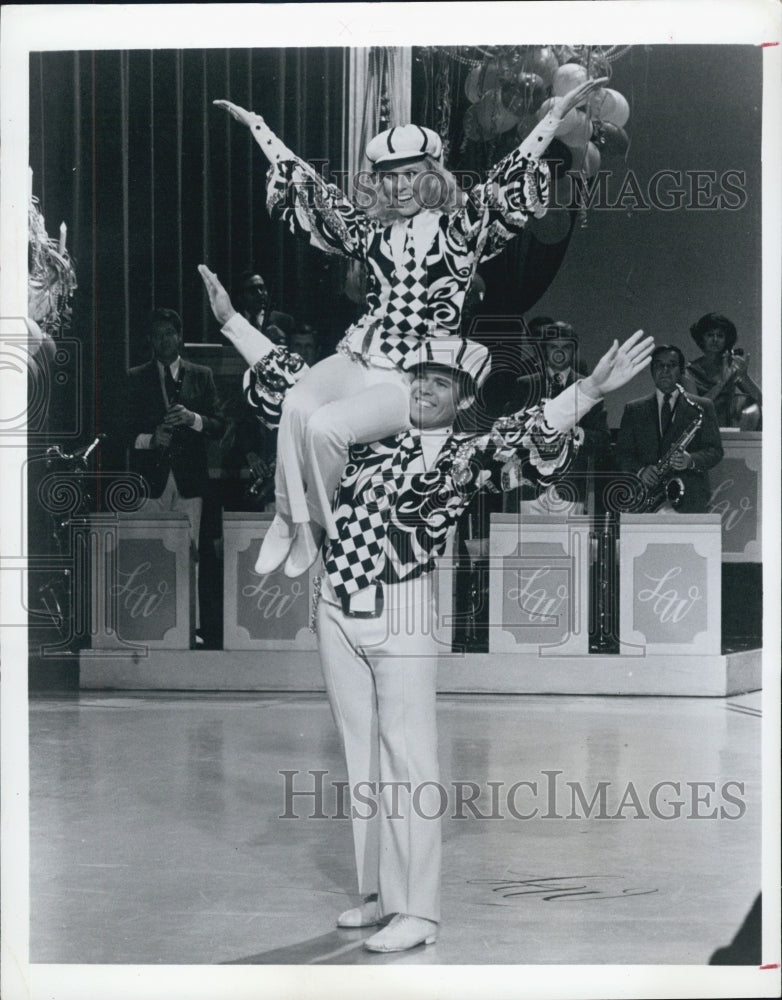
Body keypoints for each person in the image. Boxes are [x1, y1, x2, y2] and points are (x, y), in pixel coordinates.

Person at [199, 263, 653, 953]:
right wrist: (233, 322)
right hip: (337, 604)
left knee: (409, 758)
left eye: (438, 382)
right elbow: (294, 379)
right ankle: (379, 893)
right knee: (360, 756)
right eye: (416, 378)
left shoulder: (464, 456)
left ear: (461, 395)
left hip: (403, 607)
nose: (424, 388)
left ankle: (422, 912)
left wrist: (587, 390)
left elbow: (528, 429)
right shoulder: (365, 442)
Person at [214, 75, 607, 580]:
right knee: (295, 407)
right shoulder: (372, 230)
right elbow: (317, 195)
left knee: (328, 428)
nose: (397, 187)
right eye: (388, 178)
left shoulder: (462, 230)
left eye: (409, 176)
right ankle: (288, 517)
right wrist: (262, 130)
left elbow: (508, 177)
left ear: (433, 176)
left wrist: (550, 123)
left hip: (413, 376)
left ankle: (315, 524)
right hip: (363, 353)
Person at [125, 309, 224, 633]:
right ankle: (148, 626)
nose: (164, 339)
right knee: (147, 555)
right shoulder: (135, 377)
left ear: (180, 336)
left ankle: (190, 629)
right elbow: (120, 432)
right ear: (150, 340)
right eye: (158, 334)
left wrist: (193, 419)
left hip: (190, 482)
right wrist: (150, 440)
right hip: (150, 483)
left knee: (192, 557)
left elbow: (219, 426)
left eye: (170, 332)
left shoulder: (202, 374)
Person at [506, 320, 610, 514]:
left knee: (570, 545)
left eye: (566, 347)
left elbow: (603, 438)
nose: (559, 352)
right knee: (528, 543)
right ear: (545, 350)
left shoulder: (589, 388)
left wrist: (578, 433)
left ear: (574, 350)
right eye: (553, 346)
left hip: (570, 489)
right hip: (529, 488)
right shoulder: (524, 386)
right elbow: (509, 434)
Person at [616, 344, 723, 514]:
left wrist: (690, 460)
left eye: (672, 365)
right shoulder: (633, 409)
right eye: (659, 365)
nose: (665, 370)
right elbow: (622, 453)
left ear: (681, 371)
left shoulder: (702, 407)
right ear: (652, 371)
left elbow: (715, 451)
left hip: (690, 499)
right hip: (647, 499)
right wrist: (641, 470)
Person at [683, 312, 762, 429]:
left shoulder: (731, 367)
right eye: (710, 335)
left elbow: (760, 399)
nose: (715, 339)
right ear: (701, 338)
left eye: (720, 336)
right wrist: (722, 382)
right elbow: (694, 410)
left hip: (728, 433)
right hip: (699, 433)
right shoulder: (689, 371)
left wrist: (744, 376)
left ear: (726, 340)